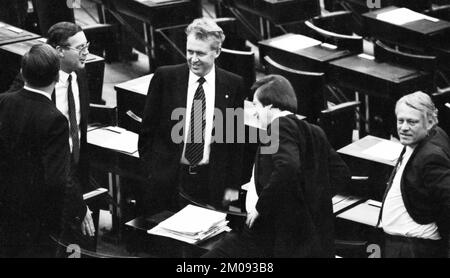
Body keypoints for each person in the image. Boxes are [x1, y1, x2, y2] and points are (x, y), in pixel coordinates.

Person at [203, 75, 351, 258]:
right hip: (294, 237)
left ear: (270, 107)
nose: (254, 112)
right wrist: (306, 201)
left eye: (256, 105)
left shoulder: (279, 125)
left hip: (267, 232)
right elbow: (342, 173)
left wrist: (261, 207)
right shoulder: (314, 131)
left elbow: (287, 167)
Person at [138, 18, 245, 214]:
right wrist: (153, 173)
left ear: (217, 52)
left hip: (211, 183)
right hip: (169, 180)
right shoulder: (165, 77)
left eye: (201, 53)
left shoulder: (234, 85)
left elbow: (235, 144)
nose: (193, 59)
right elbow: (147, 133)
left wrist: (232, 190)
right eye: (190, 51)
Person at [8, 22, 95, 247]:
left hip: (75, 174)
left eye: (87, 45)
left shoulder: (81, 75)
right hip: (47, 184)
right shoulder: (30, 81)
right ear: (59, 51)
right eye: (80, 48)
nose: (87, 52)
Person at [379, 91, 450, 258]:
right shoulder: (423, 137)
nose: (403, 128)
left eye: (412, 122)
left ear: (430, 122)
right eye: (400, 120)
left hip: (413, 248)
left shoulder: (431, 156)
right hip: (405, 245)